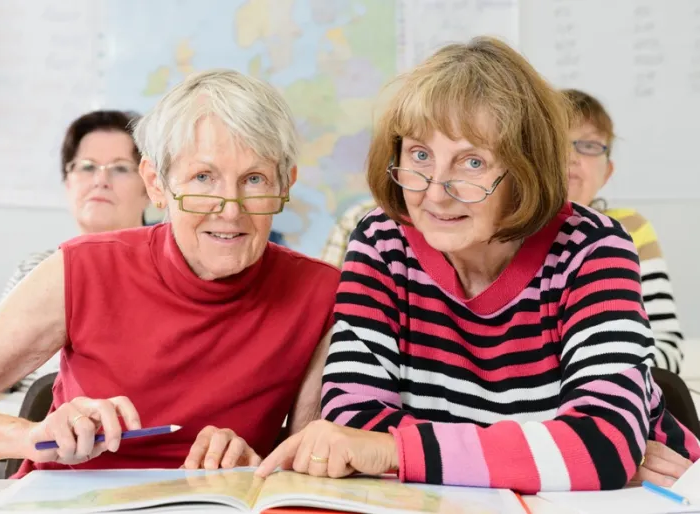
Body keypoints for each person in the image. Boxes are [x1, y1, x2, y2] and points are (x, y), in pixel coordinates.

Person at [256, 37, 700, 493]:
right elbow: (351, 422)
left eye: (472, 162)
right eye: (420, 155)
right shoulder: (380, 241)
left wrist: (397, 451)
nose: (435, 192)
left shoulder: (594, 248)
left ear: (527, 168)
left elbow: (601, 447)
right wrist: (548, 454)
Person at [0, 69, 339, 476]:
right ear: (156, 184)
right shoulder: (81, 271)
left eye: (254, 179)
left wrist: (260, 466)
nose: (230, 210)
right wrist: (31, 437)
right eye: (203, 178)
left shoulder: (321, 293)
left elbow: (311, 460)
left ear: (285, 185)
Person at [321, 91, 685, 376]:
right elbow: (347, 365)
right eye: (419, 154)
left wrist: (611, 384)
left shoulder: (608, 240)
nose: (572, 159)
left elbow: (601, 428)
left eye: (588, 146)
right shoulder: (377, 234)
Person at [0, 110, 151, 390]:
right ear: (68, 183)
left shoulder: (167, 274)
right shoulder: (34, 269)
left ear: (150, 186)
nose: (100, 180)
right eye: (87, 166)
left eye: (119, 168)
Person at [563, 89, 683, 373]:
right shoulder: (510, 234)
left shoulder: (630, 229)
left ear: (607, 173)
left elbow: (669, 347)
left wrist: (610, 372)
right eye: (555, 142)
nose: (570, 157)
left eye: (589, 146)